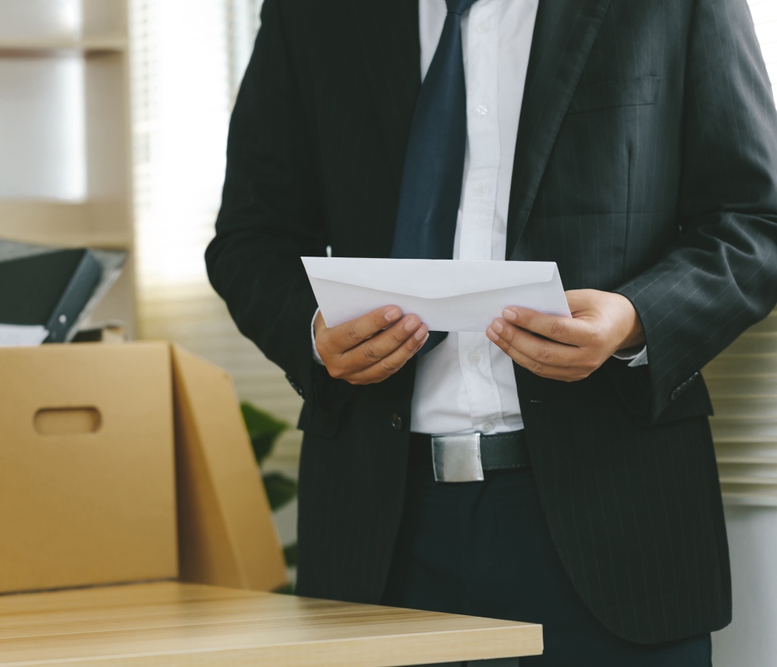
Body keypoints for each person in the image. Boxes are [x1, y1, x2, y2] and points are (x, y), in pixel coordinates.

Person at [205, 0, 777, 664]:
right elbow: (251, 237)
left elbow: (754, 221)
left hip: (614, 522)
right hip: (379, 538)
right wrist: (313, 330)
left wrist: (635, 319)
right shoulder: (313, 14)